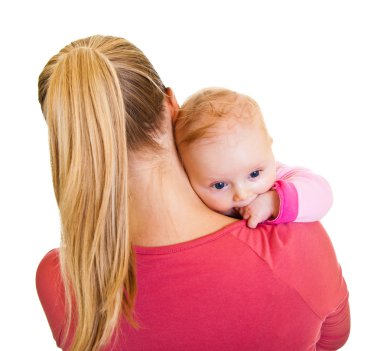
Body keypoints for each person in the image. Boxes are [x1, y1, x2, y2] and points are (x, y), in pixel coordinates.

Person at [36, 35, 350, 351]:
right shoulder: (295, 242)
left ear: (70, 145)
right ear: (171, 105)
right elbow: (331, 341)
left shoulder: (63, 284)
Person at [174, 87, 333, 228]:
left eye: (254, 174)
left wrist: (273, 202)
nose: (242, 194)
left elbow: (323, 195)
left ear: (269, 148)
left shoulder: (281, 177)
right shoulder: (195, 204)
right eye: (220, 185)